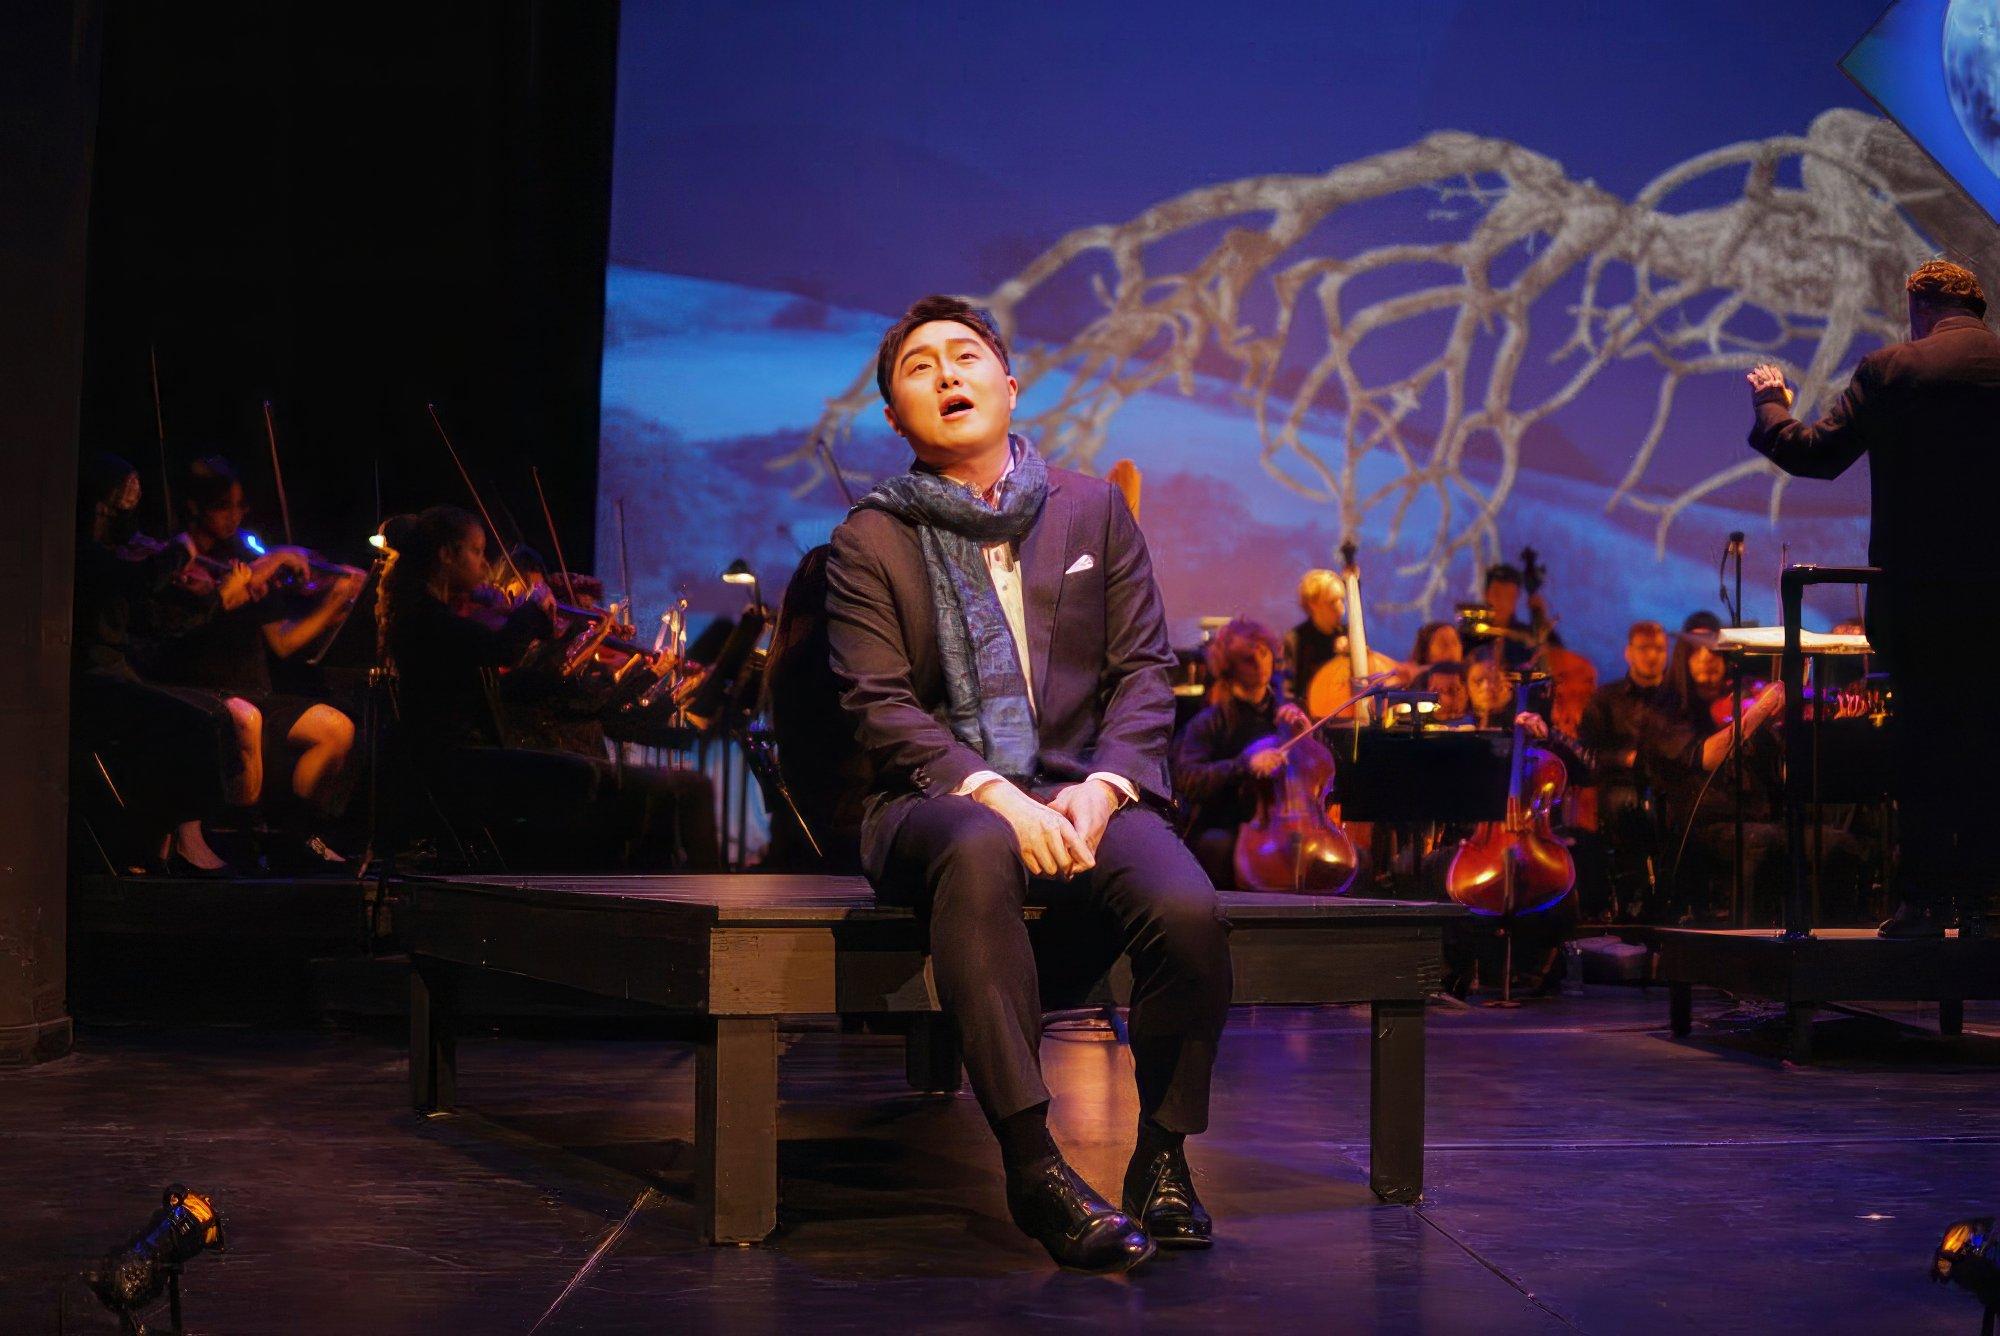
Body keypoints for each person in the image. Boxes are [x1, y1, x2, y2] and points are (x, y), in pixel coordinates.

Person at [826, 294, 1230, 1273]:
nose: (947, 375)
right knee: (972, 845)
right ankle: (1031, 1161)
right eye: (919, 368)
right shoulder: (868, 540)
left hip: (1074, 787)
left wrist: (1101, 790)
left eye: (966, 357)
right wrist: (994, 796)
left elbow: (1142, 671)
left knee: (1186, 911)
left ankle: (1163, 1157)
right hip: (934, 804)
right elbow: (877, 705)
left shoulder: (1091, 509)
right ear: (894, 416)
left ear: (1009, 385)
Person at [1746, 260, 1999, 937]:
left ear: (1919, 304)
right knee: (1989, 746)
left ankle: (1923, 903)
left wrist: (1772, 404)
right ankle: (1983, 907)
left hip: (1918, 600)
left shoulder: (1893, 369)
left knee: (1924, 748)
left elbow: (1814, 456)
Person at [146, 456, 363, 863]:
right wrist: (275, 559)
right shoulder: (175, 556)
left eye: (239, 506)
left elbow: (283, 643)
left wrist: (333, 603)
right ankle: (241, 843)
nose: (235, 517)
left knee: (337, 729)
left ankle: (298, 839)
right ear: (195, 508)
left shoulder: (242, 559)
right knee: (246, 718)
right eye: (223, 506)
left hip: (252, 689)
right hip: (197, 688)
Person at [71, 453, 261, 874]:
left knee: (206, 712)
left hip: (118, 677)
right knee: (195, 719)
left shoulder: (117, 554)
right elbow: (137, 581)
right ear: (105, 503)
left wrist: (214, 599)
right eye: (127, 498)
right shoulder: (86, 554)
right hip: (91, 684)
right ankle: (180, 842)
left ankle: (164, 843)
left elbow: (157, 623)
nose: (134, 509)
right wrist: (182, 548)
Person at [1171, 617, 1314, 889]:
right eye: (1249, 659)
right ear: (1230, 667)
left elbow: (1321, 771)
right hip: (1230, 823)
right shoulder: (1211, 721)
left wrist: (1308, 738)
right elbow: (1186, 778)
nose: (1261, 664)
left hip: (1289, 823)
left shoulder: (1290, 713)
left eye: (1264, 653)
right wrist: (1243, 766)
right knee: (1217, 849)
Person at [1578, 621, 1676, 913]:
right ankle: (1635, 895)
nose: (1652, 655)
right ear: (1628, 653)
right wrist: (1625, 758)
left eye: (1658, 648)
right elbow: (1586, 752)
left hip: (1668, 784)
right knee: (1630, 808)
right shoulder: (1607, 699)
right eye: (1644, 648)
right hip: (1621, 785)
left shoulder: (1677, 698)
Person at [1281, 568, 1345, 703]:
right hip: (1310, 717)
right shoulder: (1295, 640)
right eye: (1333, 602)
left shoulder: (1348, 634)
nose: (1341, 609)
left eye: (1342, 600)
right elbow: (1289, 691)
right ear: (1313, 604)